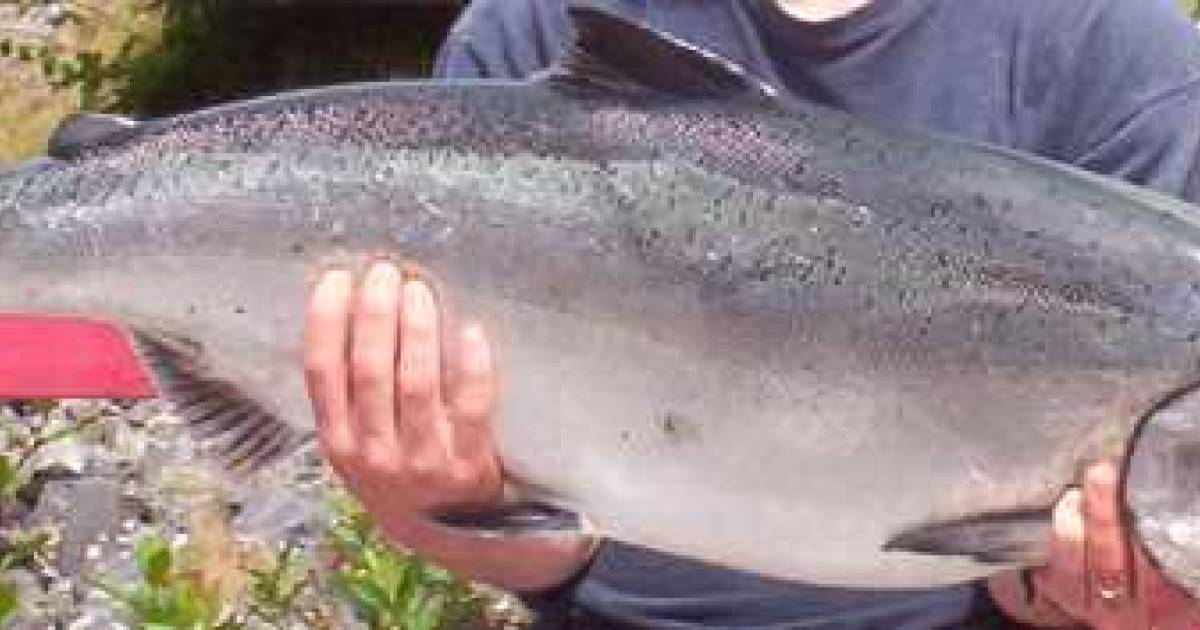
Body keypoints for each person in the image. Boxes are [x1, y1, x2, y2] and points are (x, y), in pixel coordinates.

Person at [304, 0, 1200, 627]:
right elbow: (532, 543)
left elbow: (1046, 592)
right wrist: (453, 514)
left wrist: (1094, 610)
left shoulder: (1115, 52)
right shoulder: (525, 25)